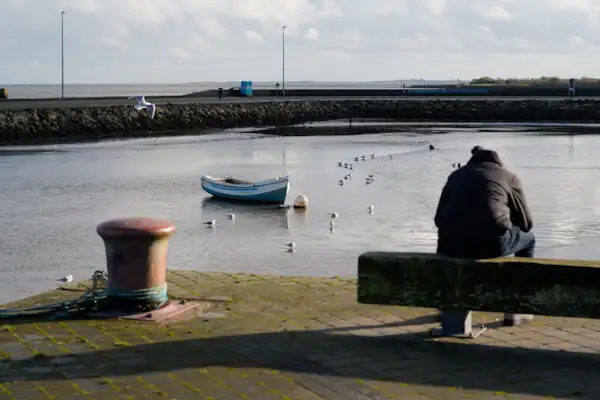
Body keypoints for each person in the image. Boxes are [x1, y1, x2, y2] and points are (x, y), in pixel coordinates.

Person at [434, 146, 535, 325]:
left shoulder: (456, 176)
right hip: (491, 244)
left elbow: (438, 219)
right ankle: (515, 308)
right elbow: (526, 225)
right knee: (529, 241)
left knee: (448, 235)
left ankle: (448, 306)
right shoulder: (509, 177)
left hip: (453, 246)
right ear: (498, 162)